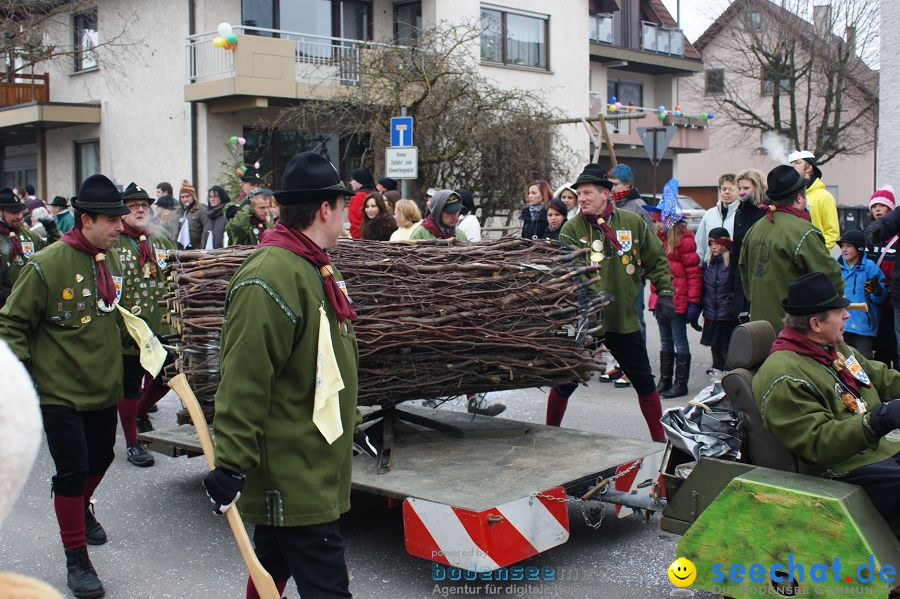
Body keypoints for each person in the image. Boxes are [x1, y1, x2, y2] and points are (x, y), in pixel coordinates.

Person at [203, 152, 361, 599]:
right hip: (292, 471)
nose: (348, 215)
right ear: (323, 209)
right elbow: (245, 376)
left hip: (311, 456)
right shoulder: (270, 275)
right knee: (328, 589)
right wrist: (231, 464)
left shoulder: (313, 264)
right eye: (343, 205)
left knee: (269, 568)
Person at [0, 174, 130, 598]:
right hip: (60, 392)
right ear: (86, 219)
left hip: (100, 387)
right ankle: (77, 559)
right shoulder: (47, 264)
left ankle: (80, 508)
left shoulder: (108, 260)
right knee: (72, 472)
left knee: (102, 459)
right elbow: (12, 324)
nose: (119, 227)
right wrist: (23, 384)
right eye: (112, 220)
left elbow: (112, 315)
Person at [753, 272, 900, 534]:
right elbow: (818, 442)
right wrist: (880, 418)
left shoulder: (836, 349)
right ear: (816, 323)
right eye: (838, 311)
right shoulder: (784, 376)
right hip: (841, 470)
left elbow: (883, 378)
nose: (847, 315)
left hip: (878, 450)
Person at [547, 164, 674, 440]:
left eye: (588, 193)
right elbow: (573, 275)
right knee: (565, 381)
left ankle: (659, 441)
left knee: (644, 382)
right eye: (579, 194)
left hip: (624, 320)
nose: (582, 199)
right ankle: (548, 432)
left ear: (605, 194)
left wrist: (664, 293)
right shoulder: (572, 229)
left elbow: (657, 260)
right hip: (588, 325)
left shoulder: (632, 223)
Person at [113, 182, 176, 467]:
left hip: (161, 323)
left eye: (143, 206)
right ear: (122, 212)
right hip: (128, 326)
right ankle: (132, 442)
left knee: (169, 374)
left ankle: (140, 410)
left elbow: (177, 272)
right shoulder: (114, 242)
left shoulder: (159, 240)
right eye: (132, 206)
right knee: (129, 382)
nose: (139, 210)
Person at [739, 165, 842, 333]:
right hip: (794, 330)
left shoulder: (755, 229)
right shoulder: (804, 231)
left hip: (759, 329)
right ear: (800, 198)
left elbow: (745, 277)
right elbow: (831, 279)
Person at [648, 186, 701, 399]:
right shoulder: (658, 240)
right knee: (665, 340)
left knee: (679, 340)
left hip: (678, 299)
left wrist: (693, 302)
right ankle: (664, 379)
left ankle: (680, 384)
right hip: (661, 298)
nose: (656, 222)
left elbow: (693, 274)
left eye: (660, 218)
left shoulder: (684, 241)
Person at [0, 187, 60, 310]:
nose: (19, 216)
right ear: (1, 213)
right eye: (13, 212)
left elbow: (54, 251)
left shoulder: (28, 236)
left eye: (20, 212)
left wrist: (52, 229)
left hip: (28, 304)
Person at [836, 229, 887, 360]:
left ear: (859, 248)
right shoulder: (835, 267)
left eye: (848, 246)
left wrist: (877, 291)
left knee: (865, 362)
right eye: (842, 246)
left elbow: (880, 298)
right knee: (843, 361)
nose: (844, 250)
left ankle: (866, 382)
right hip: (841, 323)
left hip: (863, 325)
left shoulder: (870, 268)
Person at [726, 169, 767, 319]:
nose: (742, 192)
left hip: (761, 277)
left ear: (757, 187)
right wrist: (730, 289)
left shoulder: (767, 212)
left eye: (746, 188)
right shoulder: (740, 213)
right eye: (740, 188)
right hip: (742, 278)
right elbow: (735, 251)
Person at [866, 187, 897, 368]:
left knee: (894, 343)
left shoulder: (896, 237)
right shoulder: (869, 233)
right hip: (873, 299)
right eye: (874, 206)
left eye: (882, 206)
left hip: (892, 300)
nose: (877, 209)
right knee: (878, 346)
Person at [700, 227, 738, 376]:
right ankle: (716, 380)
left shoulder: (730, 265)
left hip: (727, 316)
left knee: (726, 349)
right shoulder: (708, 265)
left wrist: (731, 307)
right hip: (711, 315)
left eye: (716, 243)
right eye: (710, 244)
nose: (713, 247)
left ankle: (728, 381)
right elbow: (704, 291)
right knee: (714, 347)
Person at [788, 150, 840, 248]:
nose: (793, 166)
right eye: (791, 163)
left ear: (809, 167)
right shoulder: (791, 196)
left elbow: (832, 233)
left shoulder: (824, 197)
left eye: (797, 162)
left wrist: (817, 253)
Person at [694, 174, 738, 263]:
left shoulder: (742, 215)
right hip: (709, 268)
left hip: (731, 268)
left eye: (731, 189)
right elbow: (699, 244)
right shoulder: (709, 214)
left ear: (738, 191)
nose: (727, 192)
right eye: (724, 189)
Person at [176, 180, 206, 250]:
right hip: (181, 250)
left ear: (193, 196)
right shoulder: (178, 212)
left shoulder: (201, 210)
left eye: (187, 196)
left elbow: (205, 231)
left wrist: (202, 248)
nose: (185, 199)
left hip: (196, 249)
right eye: (182, 197)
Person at [348, 167, 375, 239]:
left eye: (352, 180)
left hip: (361, 239)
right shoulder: (375, 193)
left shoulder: (358, 197)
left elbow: (356, 222)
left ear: (359, 181)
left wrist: (356, 239)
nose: (351, 183)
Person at [201, 185, 230, 249]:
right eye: (210, 197)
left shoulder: (227, 213)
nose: (212, 199)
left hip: (223, 252)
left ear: (222, 198)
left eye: (215, 196)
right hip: (207, 253)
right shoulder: (207, 214)